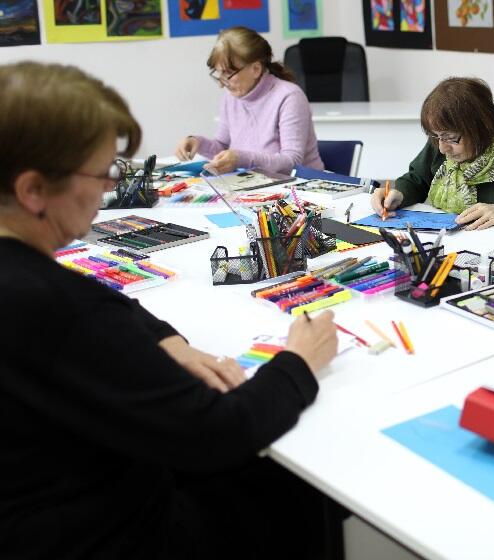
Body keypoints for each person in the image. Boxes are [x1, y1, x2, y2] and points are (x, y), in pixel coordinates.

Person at [0, 62, 340, 558]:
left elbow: (97, 303)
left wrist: (167, 342)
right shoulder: (55, 310)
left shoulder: (34, 284)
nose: (107, 190)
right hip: (101, 534)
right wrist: (300, 361)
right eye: (102, 173)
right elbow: (221, 430)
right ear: (33, 191)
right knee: (298, 489)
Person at [369, 77, 494, 231]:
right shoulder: (441, 140)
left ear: (482, 129)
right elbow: (417, 179)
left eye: (451, 138)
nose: (442, 148)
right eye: (436, 137)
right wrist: (398, 194)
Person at [174, 26, 323, 175]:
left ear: (256, 69)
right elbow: (222, 147)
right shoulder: (231, 97)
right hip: (254, 186)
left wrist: (240, 159)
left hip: (302, 188)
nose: (221, 83)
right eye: (219, 73)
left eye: (229, 73)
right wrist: (197, 143)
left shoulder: (290, 96)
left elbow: (292, 162)